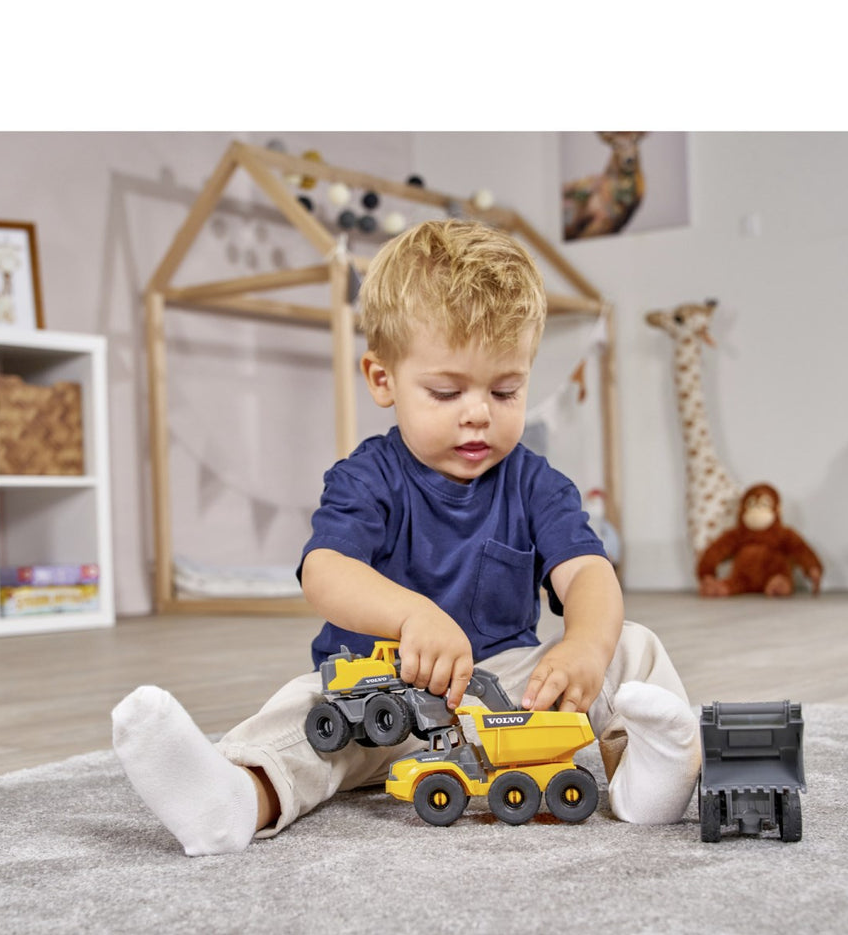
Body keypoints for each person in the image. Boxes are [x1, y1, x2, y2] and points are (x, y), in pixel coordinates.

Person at [112, 220, 700, 855]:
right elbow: (326, 570)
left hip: (502, 695)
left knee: (631, 646)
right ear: (382, 379)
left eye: (506, 390)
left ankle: (647, 778)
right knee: (301, 710)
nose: (478, 412)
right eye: (446, 392)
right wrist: (412, 616)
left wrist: (584, 645)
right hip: (381, 698)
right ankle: (235, 799)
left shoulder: (536, 483)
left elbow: (586, 572)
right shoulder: (367, 478)